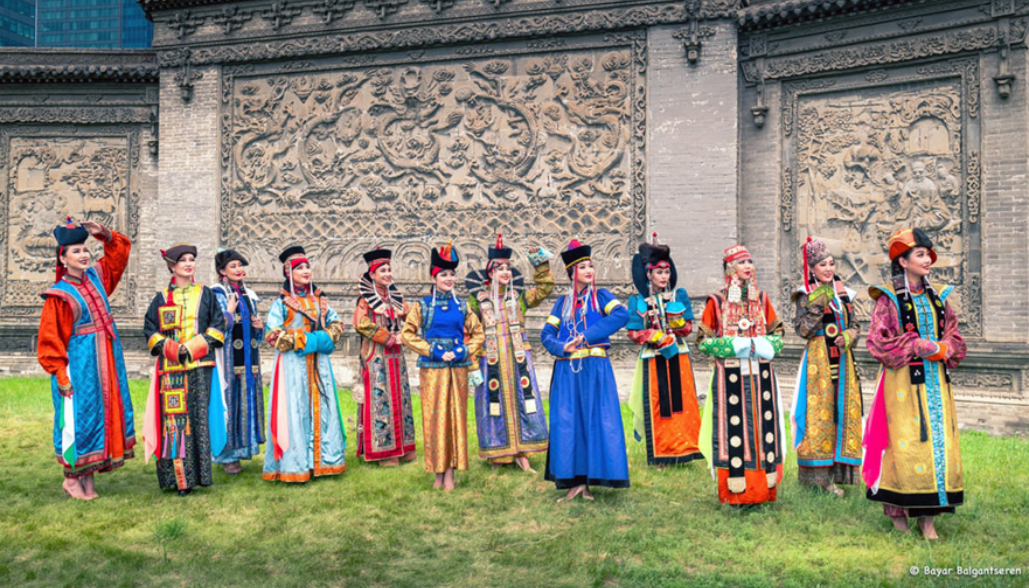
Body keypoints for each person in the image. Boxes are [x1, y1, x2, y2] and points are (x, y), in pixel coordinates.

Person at [863, 228, 967, 540]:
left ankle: (928, 520)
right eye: (920, 255)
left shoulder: (940, 298)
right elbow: (876, 342)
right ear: (903, 261)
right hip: (902, 386)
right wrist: (914, 344)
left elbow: (954, 335)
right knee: (904, 444)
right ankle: (898, 518)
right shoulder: (888, 299)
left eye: (928, 255)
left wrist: (943, 347)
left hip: (937, 383)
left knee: (936, 445)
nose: (928, 261)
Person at [38, 217, 134, 500]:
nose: (83, 254)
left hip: (106, 363)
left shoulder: (96, 277)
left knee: (98, 419)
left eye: (84, 249)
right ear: (62, 258)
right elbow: (50, 340)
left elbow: (120, 252)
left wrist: (103, 234)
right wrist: (60, 374)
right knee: (77, 419)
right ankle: (71, 479)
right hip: (80, 367)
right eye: (76, 251)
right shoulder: (59, 296)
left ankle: (89, 481)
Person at [696, 245, 787, 506]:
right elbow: (702, 341)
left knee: (762, 429)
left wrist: (766, 345)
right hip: (731, 377)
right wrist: (733, 346)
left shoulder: (763, 299)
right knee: (735, 432)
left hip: (762, 376)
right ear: (730, 268)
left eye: (750, 261)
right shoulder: (716, 302)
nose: (748, 266)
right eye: (741, 262)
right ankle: (736, 493)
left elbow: (779, 333)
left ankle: (764, 491)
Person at [541, 239, 630, 501]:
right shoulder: (562, 303)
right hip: (567, 370)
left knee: (595, 421)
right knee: (568, 423)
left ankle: (590, 481)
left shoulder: (602, 298)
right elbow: (547, 334)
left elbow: (621, 316)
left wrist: (587, 336)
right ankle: (574, 482)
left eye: (591, 265)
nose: (589, 270)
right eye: (582, 267)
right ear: (571, 273)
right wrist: (562, 346)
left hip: (595, 368)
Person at [143, 243, 226, 496]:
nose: (189, 264)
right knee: (175, 422)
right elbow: (150, 330)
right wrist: (172, 348)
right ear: (172, 266)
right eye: (183, 261)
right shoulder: (160, 298)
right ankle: (179, 479)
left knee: (198, 421)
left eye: (192, 259)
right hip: (171, 369)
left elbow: (217, 325)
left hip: (200, 366)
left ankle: (199, 475)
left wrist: (190, 347)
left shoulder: (206, 295)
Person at [401, 241, 485, 491]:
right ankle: (437, 471)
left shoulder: (462, 306)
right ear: (433, 277)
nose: (449, 279)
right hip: (432, 370)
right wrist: (435, 351)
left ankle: (450, 472)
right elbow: (407, 334)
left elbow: (478, 334)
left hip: (457, 369)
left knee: (455, 418)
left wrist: (461, 350)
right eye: (443, 275)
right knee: (434, 419)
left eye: (452, 274)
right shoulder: (423, 306)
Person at [466, 235, 554, 471]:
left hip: (518, 361)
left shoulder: (519, 297)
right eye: (499, 268)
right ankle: (498, 454)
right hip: (489, 361)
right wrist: (472, 364)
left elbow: (546, 287)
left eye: (507, 267)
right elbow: (469, 332)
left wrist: (539, 262)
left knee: (523, 401)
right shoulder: (477, 300)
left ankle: (522, 452)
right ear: (490, 273)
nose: (505, 271)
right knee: (491, 404)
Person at [263, 246, 347, 482]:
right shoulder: (281, 304)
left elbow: (337, 323)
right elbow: (272, 335)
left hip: (319, 364)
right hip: (292, 366)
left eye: (307, 266)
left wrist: (326, 337)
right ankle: (295, 465)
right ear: (288, 272)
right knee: (295, 410)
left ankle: (323, 462)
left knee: (323, 408)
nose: (305, 271)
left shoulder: (320, 300)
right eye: (299, 268)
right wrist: (305, 340)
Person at [790, 237, 862, 497]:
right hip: (818, 363)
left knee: (841, 413)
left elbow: (856, 325)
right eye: (822, 264)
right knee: (818, 415)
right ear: (812, 268)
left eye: (831, 263)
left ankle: (837, 473)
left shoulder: (844, 294)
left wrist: (850, 337)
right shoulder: (804, 294)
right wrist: (820, 300)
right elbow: (803, 330)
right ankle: (818, 478)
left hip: (843, 361)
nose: (828, 268)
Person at [626, 234, 702, 467]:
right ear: (648, 274)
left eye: (666, 272)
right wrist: (656, 336)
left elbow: (688, 329)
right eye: (658, 272)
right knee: (660, 406)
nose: (663, 276)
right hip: (653, 358)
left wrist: (677, 323)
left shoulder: (678, 296)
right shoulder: (638, 300)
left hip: (678, 356)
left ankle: (683, 450)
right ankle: (661, 454)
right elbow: (634, 333)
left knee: (682, 404)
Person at [353, 247, 416, 466]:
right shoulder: (365, 299)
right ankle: (384, 452)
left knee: (402, 400)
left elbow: (412, 318)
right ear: (372, 274)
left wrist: (405, 334)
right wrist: (385, 337)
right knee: (381, 401)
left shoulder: (396, 297)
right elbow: (360, 323)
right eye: (383, 270)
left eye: (389, 269)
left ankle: (405, 447)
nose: (388, 274)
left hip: (397, 356)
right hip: (376, 356)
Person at [210, 249, 265, 475]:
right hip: (227, 359)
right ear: (222, 271)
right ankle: (226, 455)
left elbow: (256, 335)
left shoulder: (248, 295)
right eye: (233, 266)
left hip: (250, 360)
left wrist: (260, 328)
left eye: (240, 265)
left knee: (246, 401)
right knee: (229, 401)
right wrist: (229, 314)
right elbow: (216, 328)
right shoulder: (217, 294)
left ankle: (242, 451)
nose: (238, 269)